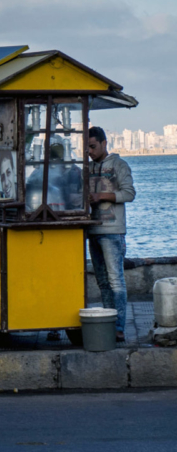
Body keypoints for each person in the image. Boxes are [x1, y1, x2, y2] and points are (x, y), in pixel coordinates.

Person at [87, 126, 136, 342]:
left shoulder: (118, 165)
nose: (89, 151)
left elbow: (129, 193)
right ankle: (108, 322)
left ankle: (119, 327)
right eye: (86, 147)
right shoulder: (86, 168)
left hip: (113, 231)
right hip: (93, 230)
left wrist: (102, 196)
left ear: (104, 143)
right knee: (102, 281)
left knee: (116, 281)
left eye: (93, 146)